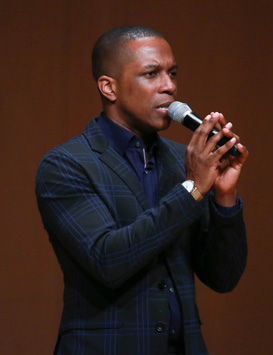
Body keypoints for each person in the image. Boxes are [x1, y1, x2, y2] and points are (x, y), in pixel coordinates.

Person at [35, 25, 248, 355]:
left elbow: (223, 278)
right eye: (152, 74)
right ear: (109, 87)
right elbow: (108, 259)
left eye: (172, 73)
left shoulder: (184, 160)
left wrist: (223, 196)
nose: (170, 86)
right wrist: (192, 188)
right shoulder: (66, 164)